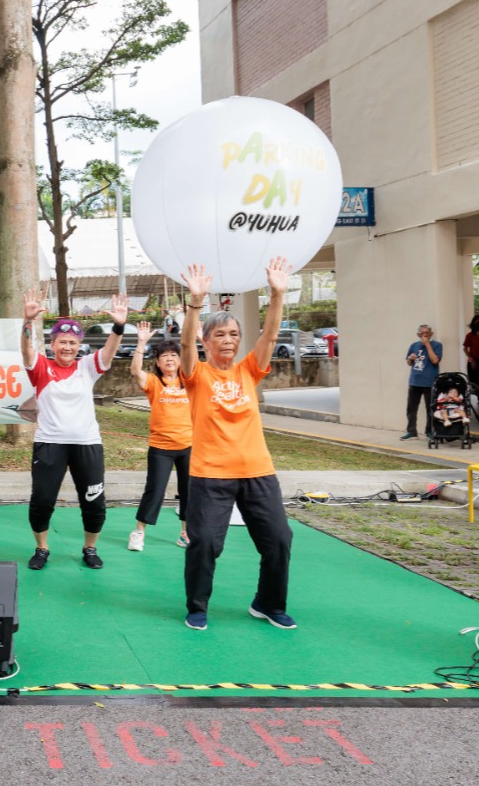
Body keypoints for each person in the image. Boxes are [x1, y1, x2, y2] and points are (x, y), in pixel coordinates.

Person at [177, 258, 297, 632]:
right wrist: (196, 303)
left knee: (279, 539)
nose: (227, 341)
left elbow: (271, 336)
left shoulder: (248, 369)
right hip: (211, 475)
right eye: (219, 335)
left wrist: (276, 294)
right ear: (206, 341)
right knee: (205, 544)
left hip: (258, 471)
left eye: (232, 335)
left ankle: (268, 604)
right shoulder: (196, 374)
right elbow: (184, 342)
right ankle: (197, 606)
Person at [19, 288, 129, 570]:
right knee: (42, 500)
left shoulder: (87, 367)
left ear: (78, 344)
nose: (67, 347)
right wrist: (27, 321)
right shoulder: (41, 368)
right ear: (52, 344)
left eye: (71, 342)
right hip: (49, 443)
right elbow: (27, 350)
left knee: (93, 500)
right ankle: (42, 547)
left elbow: (109, 351)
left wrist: (118, 326)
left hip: (87, 444)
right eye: (61, 342)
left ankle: (90, 548)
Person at [128, 320, 192, 551]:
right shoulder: (154, 382)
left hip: (188, 446)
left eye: (174, 355)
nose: (170, 359)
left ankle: (185, 533)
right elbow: (135, 371)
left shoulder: (189, 382)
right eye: (164, 356)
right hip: (161, 447)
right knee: (154, 490)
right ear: (157, 362)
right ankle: (138, 532)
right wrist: (141, 343)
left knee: (189, 491)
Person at [402, 324, 443, 440]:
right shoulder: (414, 345)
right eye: (421, 333)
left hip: (429, 382)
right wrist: (411, 359)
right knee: (411, 408)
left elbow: (435, 360)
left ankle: (429, 431)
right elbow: (409, 363)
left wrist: (427, 345)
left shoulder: (437, 345)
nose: (424, 335)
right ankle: (411, 431)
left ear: (431, 334)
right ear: (418, 334)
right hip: (414, 381)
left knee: (430, 408)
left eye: (426, 333)